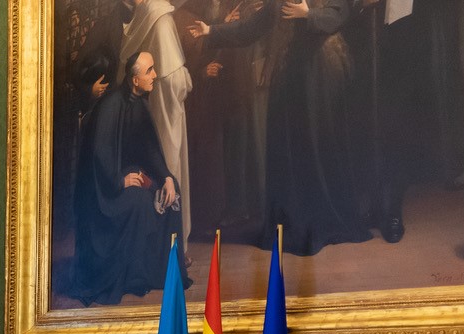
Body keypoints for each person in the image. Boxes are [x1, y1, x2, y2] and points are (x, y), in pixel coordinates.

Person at [187, 0, 372, 256]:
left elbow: (339, 14)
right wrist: (212, 31)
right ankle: (295, 219)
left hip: (320, 74)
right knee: (289, 147)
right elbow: (253, 27)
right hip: (291, 76)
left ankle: (317, 218)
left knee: (316, 147)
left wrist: (308, 14)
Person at [70, 51, 189, 306]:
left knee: (172, 189)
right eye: (150, 71)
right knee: (136, 202)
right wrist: (119, 182)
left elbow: (149, 151)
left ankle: (157, 272)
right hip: (104, 190)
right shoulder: (110, 106)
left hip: (129, 174)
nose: (155, 75)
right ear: (135, 80)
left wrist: (166, 176)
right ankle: (134, 277)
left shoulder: (139, 104)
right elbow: (99, 156)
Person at [119, 0, 194, 248]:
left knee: (154, 170)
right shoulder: (160, 19)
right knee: (167, 169)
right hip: (165, 110)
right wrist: (187, 81)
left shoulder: (142, 17)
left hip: (145, 110)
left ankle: (156, 248)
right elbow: (175, 82)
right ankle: (170, 249)